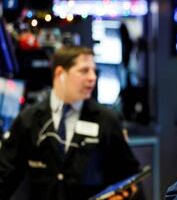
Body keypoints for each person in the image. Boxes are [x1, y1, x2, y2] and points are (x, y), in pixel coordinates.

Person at [0, 46, 141, 200]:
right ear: (60, 73)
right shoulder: (29, 119)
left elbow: (130, 177)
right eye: (84, 70)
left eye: (94, 70)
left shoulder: (106, 120)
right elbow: (5, 175)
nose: (92, 77)